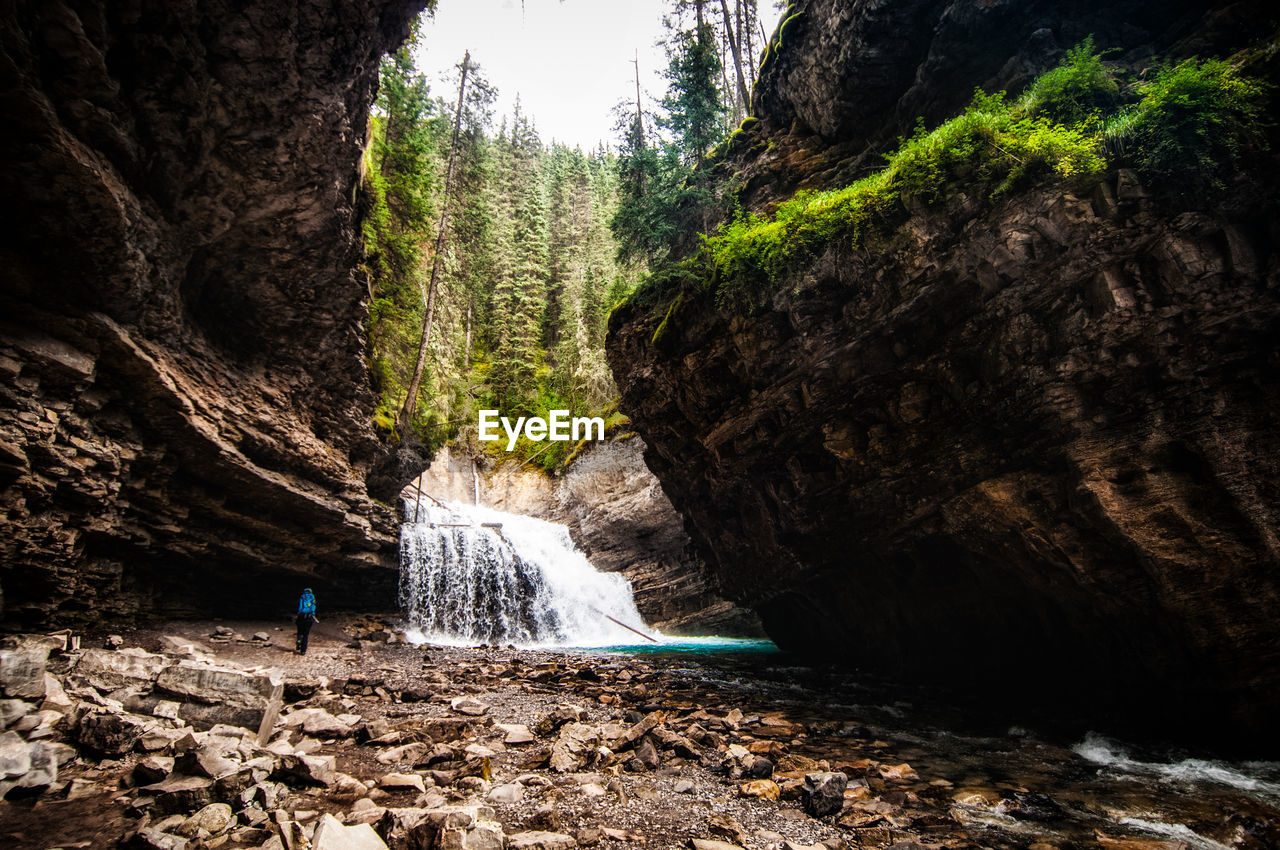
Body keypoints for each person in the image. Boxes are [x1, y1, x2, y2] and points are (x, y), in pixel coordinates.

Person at [295, 588, 317, 654]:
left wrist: (299, 613)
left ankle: (298, 640)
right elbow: (314, 606)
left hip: (301, 616)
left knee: (299, 631)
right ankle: (303, 650)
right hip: (309, 618)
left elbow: (300, 606)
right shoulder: (312, 597)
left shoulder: (302, 597)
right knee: (306, 634)